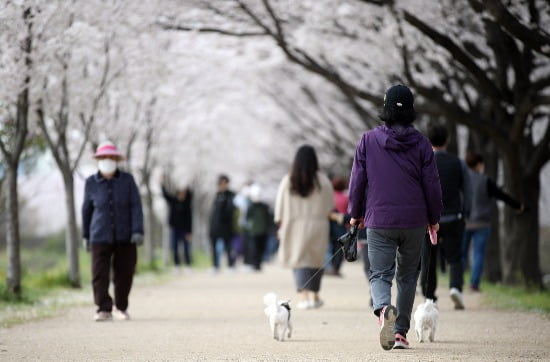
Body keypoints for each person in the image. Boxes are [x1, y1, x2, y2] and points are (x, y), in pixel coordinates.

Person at [347, 84, 442, 350]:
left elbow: (357, 181)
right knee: (408, 276)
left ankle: (383, 310)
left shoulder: (368, 140)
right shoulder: (423, 144)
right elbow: (432, 185)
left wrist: (355, 214)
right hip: (414, 220)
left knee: (380, 274)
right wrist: (434, 218)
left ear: (385, 109)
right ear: (411, 111)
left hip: (379, 219)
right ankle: (400, 333)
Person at [82, 141, 144, 322]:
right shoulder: (91, 183)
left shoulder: (127, 180)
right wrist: (86, 234)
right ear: (98, 160)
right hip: (99, 235)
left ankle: (121, 306)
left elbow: (136, 206)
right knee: (99, 273)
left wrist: (137, 230)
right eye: (103, 157)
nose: (107, 160)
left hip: (126, 235)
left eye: (111, 157)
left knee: (125, 272)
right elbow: (86, 210)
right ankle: (103, 307)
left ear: (117, 160)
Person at [274, 145, 334, 310]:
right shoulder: (323, 181)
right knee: (315, 259)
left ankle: (304, 297)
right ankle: (315, 296)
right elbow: (330, 206)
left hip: (293, 224)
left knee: (298, 259)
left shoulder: (289, 180)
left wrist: (280, 224)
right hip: (318, 224)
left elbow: (279, 207)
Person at [421, 124, 472, 310]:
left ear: (429, 141)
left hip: (428, 220)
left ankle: (429, 295)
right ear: (447, 140)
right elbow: (468, 189)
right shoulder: (458, 163)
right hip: (453, 217)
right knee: (455, 257)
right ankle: (455, 287)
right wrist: (466, 212)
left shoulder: (424, 162)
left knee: (428, 258)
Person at [462, 151, 523, 291]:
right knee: (478, 254)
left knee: (461, 254)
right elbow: (502, 196)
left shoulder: (461, 180)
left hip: (464, 223)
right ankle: (474, 284)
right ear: (478, 164)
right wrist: (518, 206)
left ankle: (457, 283)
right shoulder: (485, 181)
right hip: (482, 223)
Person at [161, 181, 193, 273]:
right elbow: (165, 195)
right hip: (174, 229)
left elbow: (189, 219)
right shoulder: (173, 201)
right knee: (174, 247)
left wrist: (190, 232)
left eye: (184, 193)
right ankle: (177, 265)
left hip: (185, 230)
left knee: (186, 248)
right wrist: (162, 184)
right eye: (181, 192)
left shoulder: (187, 203)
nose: (182, 194)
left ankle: (188, 265)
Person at [209, 174, 236, 272]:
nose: (223, 185)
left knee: (228, 247)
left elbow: (231, 210)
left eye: (225, 183)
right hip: (215, 226)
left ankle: (231, 266)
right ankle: (215, 266)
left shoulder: (231, 195)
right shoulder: (217, 195)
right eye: (221, 183)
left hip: (226, 226)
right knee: (214, 246)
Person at [325, 176, 348, 277]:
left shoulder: (330, 197)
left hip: (330, 224)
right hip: (342, 224)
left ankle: (329, 267)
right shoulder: (346, 198)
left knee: (330, 246)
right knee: (340, 247)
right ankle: (336, 268)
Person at [245, 183, 271, 271]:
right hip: (254, 231)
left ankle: (259, 264)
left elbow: (269, 218)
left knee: (261, 248)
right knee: (254, 248)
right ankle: (254, 263)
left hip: (263, 230)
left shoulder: (265, 206)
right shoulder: (250, 206)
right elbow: (247, 218)